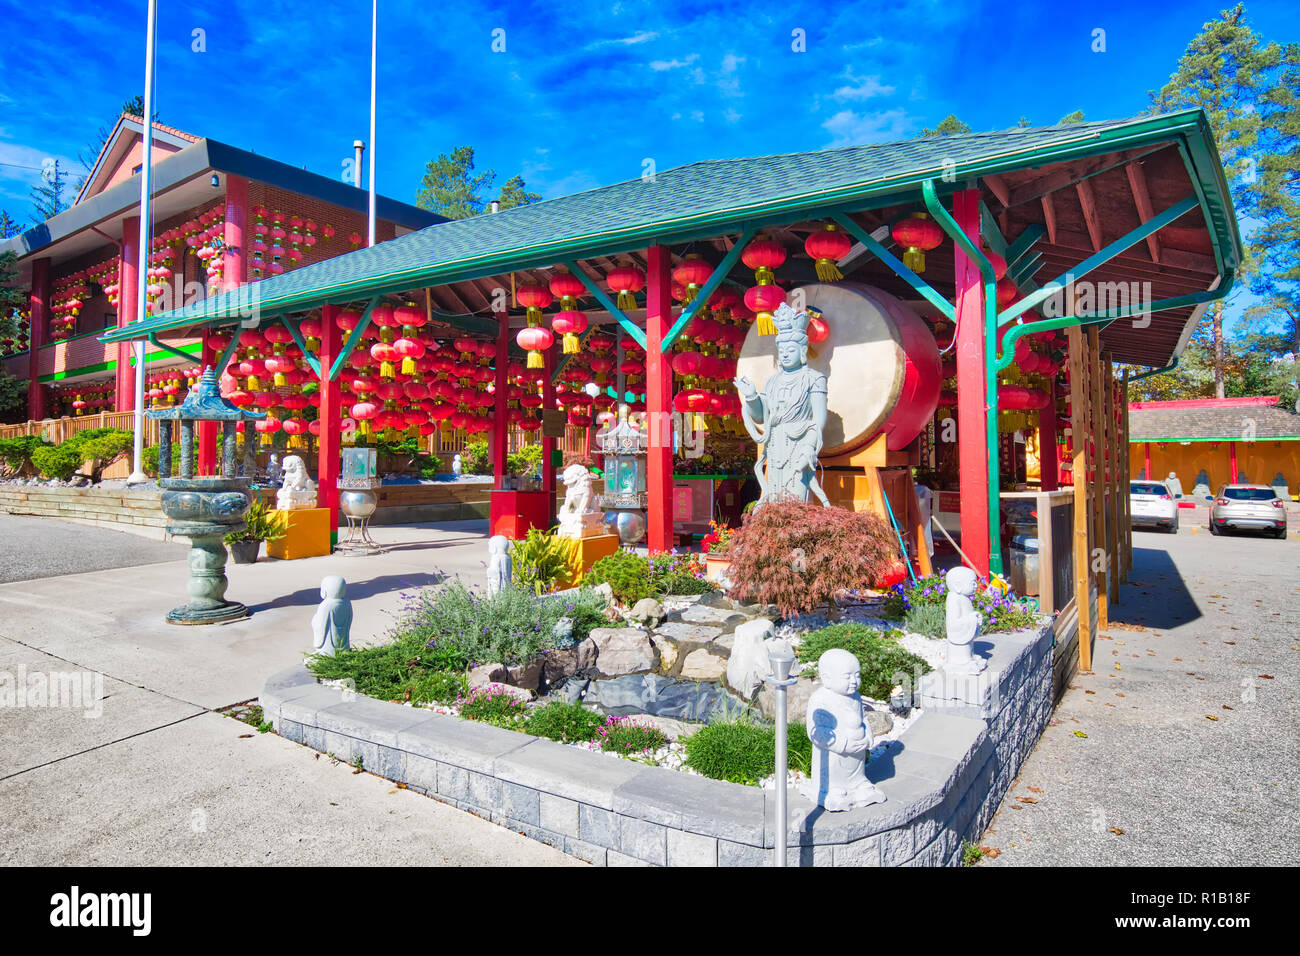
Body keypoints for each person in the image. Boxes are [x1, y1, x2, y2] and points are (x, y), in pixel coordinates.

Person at [734, 302, 829, 505]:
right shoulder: (772, 381)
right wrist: (751, 397)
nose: (785, 354)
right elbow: (761, 416)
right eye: (782, 349)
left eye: (791, 349)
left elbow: (819, 419)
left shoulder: (814, 378)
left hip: (799, 443)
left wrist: (808, 447)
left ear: (802, 351)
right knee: (775, 499)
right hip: (775, 444)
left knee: (796, 500)